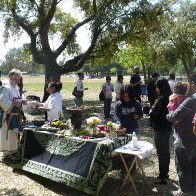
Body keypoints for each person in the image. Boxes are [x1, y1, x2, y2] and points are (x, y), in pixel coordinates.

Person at [166, 74, 196, 196]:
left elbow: (175, 116)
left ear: (193, 83)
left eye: (189, 83)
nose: (188, 85)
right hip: (193, 138)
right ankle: (193, 189)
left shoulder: (192, 99)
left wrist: (167, 115)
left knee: (183, 165)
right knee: (193, 164)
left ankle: (184, 190)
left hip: (184, 138)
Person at [149, 78, 172, 185]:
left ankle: (162, 176)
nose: (156, 89)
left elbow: (160, 115)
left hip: (161, 129)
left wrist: (150, 112)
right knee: (165, 152)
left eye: (157, 87)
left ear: (161, 87)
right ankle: (165, 173)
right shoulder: (169, 97)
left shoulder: (164, 99)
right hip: (166, 129)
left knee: (161, 153)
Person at [0, 69, 22, 157]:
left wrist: (22, 102)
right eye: (15, 78)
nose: (17, 80)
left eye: (18, 78)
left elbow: (18, 98)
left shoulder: (15, 87)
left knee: (13, 134)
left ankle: (13, 150)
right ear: (10, 77)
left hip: (15, 115)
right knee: (8, 133)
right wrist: (13, 103)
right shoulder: (6, 87)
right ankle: (7, 153)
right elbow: (2, 101)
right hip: (8, 115)